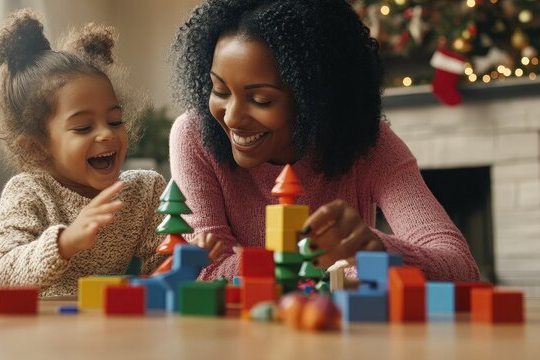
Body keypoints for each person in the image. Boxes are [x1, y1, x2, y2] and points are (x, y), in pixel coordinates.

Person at [169, 0, 480, 282]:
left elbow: (461, 268)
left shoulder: (367, 142)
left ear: (314, 99)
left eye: (261, 99)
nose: (232, 117)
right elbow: (204, 270)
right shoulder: (195, 136)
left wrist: (375, 248)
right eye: (220, 91)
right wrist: (315, 263)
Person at [0, 9, 221, 297]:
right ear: (37, 146)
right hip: (33, 332)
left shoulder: (144, 191)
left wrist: (188, 263)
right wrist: (64, 243)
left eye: (114, 121)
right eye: (84, 127)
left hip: (101, 328)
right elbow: (1, 271)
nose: (107, 133)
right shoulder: (29, 192)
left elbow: (158, 273)